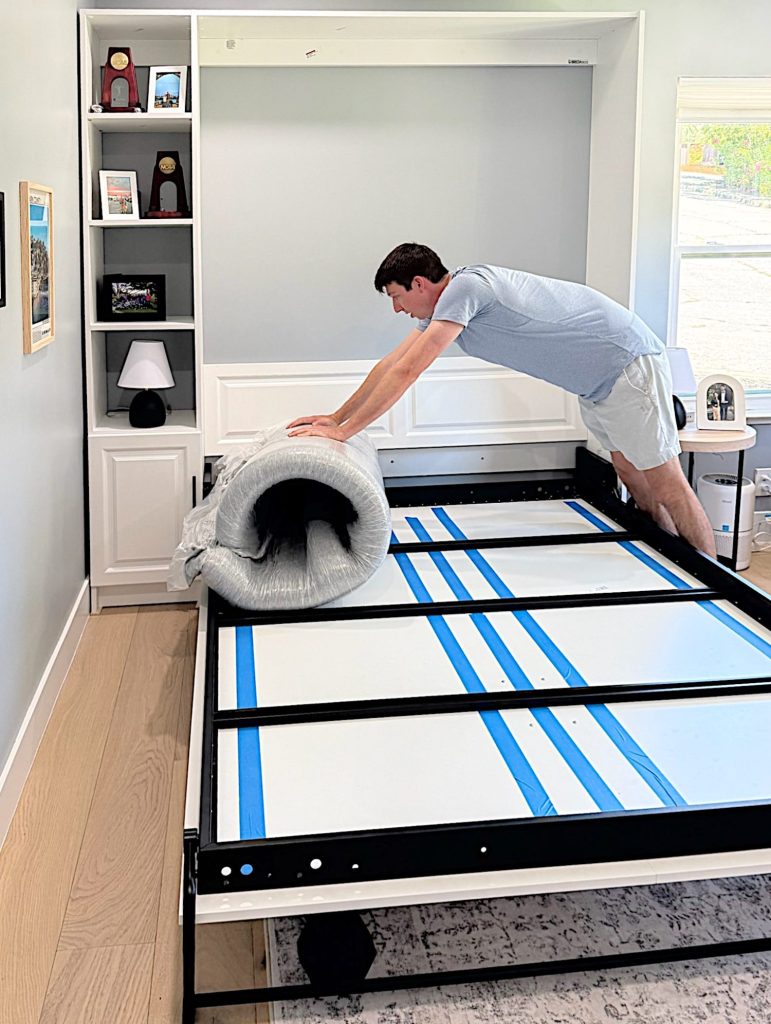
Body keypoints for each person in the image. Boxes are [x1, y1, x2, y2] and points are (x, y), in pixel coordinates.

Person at [288, 243, 716, 557]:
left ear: (419, 284)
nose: (397, 309)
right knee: (627, 470)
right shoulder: (447, 306)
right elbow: (390, 363)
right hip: (598, 382)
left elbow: (409, 370)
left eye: (397, 297)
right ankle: (668, 552)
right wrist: (335, 417)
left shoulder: (467, 288)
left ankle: (713, 573)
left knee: (667, 482)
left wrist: (346, 432)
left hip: (627, 363)